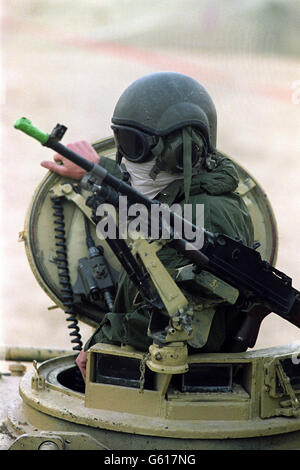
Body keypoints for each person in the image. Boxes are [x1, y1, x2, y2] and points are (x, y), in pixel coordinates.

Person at [41, 72, 254, 379]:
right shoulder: (189, 197)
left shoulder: (205, 215)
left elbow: (174, 319)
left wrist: (101, 342)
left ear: (179, 150)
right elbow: (148, 204)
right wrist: (95, 170)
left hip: (178, 376)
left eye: (134, 145)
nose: (127, 158)